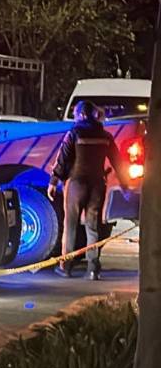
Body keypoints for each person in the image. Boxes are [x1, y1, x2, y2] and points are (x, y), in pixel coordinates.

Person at [48, 100, 132, 280]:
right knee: (92, 226)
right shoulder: (105, 136)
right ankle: (93, 269)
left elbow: (63, 158)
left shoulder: (74, 133)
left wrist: (53, 181)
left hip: (76, 184)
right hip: (97, 185)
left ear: (81, 114)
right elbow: (118, 162)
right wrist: (125, 186)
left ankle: (66, 266)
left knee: (70, 225)